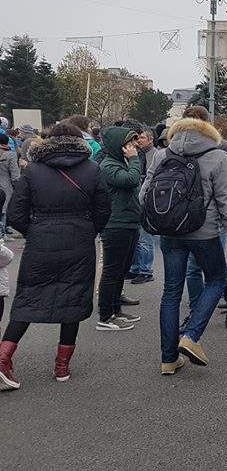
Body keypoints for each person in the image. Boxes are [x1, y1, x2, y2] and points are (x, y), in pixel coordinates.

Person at [0, 123, 111, 389]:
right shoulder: (92, 169)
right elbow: (103, 209)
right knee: (72, 298)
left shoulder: (34, 170)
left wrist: (36, 230)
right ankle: (62, 366)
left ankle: (3, 357)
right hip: (80, 240)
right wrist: (87, 229)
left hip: (41, 240)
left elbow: (15, 212)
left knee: (28, 298)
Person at [139, 116, 227, 375]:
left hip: (170, 231)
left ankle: (168, 359)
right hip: (204, 231)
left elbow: (144, 195)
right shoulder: (218, 157)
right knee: (217, 280)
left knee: (171, 290)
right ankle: (192, 335)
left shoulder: (162, 155)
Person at [179, 106, 227, 327]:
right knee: (193, 268)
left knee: (216, 267)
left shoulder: (222, 148)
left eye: (195, 121)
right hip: (183, 219)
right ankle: (196, 311)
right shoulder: (176, 149)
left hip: (213, 219)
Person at [96, 125, 143, 331]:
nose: (133, 146)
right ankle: (105, 316)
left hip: (129, 222)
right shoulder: (108, 165)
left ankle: (116, 309)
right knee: (112, 271)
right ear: (118, 145)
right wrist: (134, 160)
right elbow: (131, 180)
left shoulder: (120, 162)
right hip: (116, 224)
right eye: (129, 143)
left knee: (121, 270)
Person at [128, 129, 158, 284]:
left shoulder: (155, 155)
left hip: (146, 199)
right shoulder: (138, 154)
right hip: (137, 198)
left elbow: (151, 178)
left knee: (145, 237)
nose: (139, 140)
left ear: (151, 139)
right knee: (137, 237)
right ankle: (135, 268)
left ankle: (146, 270)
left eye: (142, 138)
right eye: (138, 138)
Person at [0, 132, 20, 237]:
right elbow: (15, 175)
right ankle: (2, 233)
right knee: (4, 209)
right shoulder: (11, 155)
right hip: (5, 186)